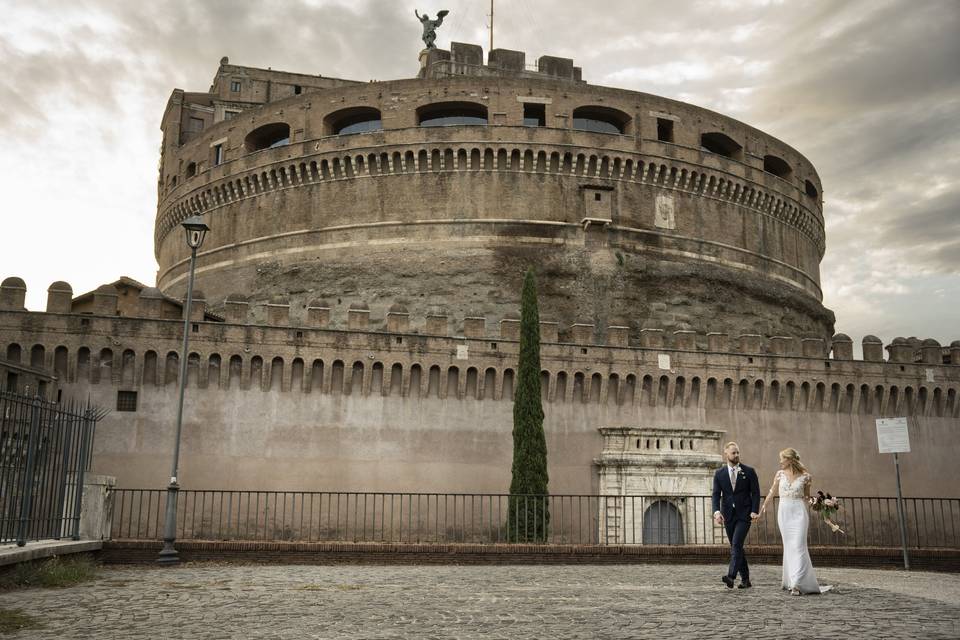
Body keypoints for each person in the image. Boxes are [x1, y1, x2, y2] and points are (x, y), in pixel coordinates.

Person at [758, 448, 832, 595]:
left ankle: (797, 584)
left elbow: (806, 497)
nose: (780, 461)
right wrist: (761, 511)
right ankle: (792, 580)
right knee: (790, 547)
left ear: (790, 460)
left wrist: (822, 503)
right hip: (784, 513)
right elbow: (772, 492)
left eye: (782, 458)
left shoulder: (806, 477)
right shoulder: (779, 475)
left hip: (799, 513)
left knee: (799, 545)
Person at [712, 442, 761, 589]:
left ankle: (731, 576)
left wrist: (754, 510)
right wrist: (716, 512)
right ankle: (746, 580)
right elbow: (715, 494)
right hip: (728, 515)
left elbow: (756, 493)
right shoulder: (719, 474)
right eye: (733, 453)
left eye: (738, 452)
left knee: (736, 544)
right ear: (726, 453)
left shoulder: (749, 471)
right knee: (737, 547)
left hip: (745, 514)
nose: (736, 455)